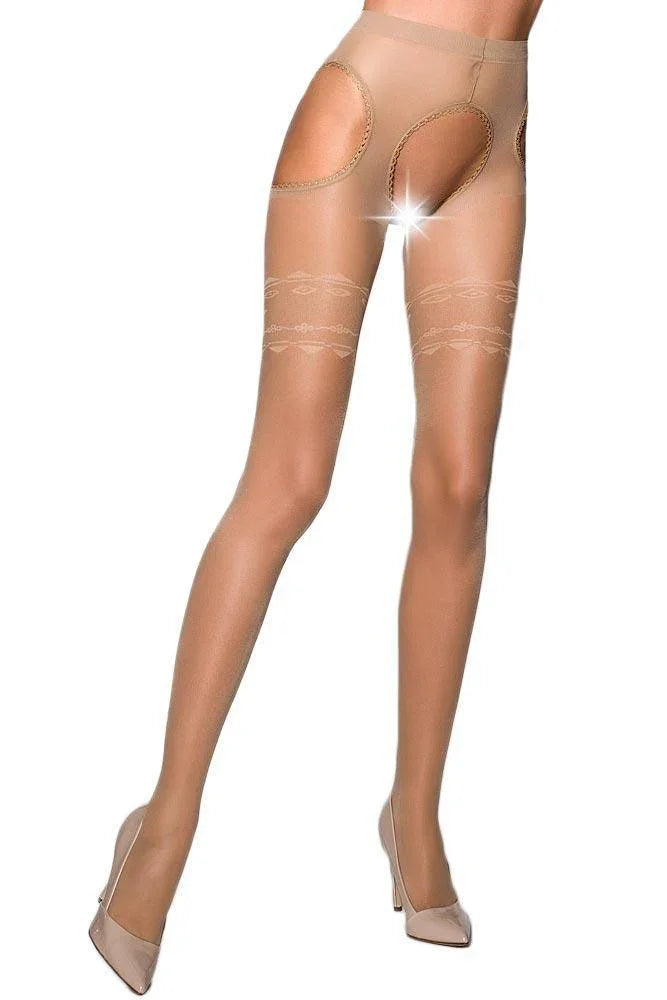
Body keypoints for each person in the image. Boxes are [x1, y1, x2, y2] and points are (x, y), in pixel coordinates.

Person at [89, 0, 544, 990]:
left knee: (460, 484)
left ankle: (413, 819)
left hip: (495, 134)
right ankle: (161, 828)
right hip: (365, 110)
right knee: (290, 480)